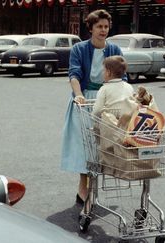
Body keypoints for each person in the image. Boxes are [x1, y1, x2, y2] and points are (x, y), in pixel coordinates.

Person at [60, 9, 124, 206]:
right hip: (85, 100)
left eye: (106, 26)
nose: (103, 30)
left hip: (107, 99)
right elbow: (74, 74)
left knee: (103, 146)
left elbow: (123, 77)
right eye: (99, 27)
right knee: (85, 146)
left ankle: (93, 187)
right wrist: (78, 95)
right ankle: (83, 185)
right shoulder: (79, 49)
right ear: (91, 28)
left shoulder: (115, 50)